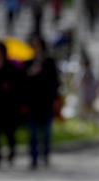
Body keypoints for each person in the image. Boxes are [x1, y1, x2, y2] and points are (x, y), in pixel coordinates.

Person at [24, 35, 60, 169]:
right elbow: (24, 81)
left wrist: (56, 99)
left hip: (46, 102)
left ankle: (45, 154)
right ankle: (33, 157)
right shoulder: (29, 62)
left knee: (46, 132)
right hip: (33, 103)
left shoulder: (49, 62)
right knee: (32, 132)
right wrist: (31, 72)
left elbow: (54, 81)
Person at [75, 51, 99, 122]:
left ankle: (90, 120)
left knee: (88, 107)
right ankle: (88, 120)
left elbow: (93, 82)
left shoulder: (88, 71)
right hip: (86, 92)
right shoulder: (85, 71)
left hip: (88, 92)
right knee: (86, 107)